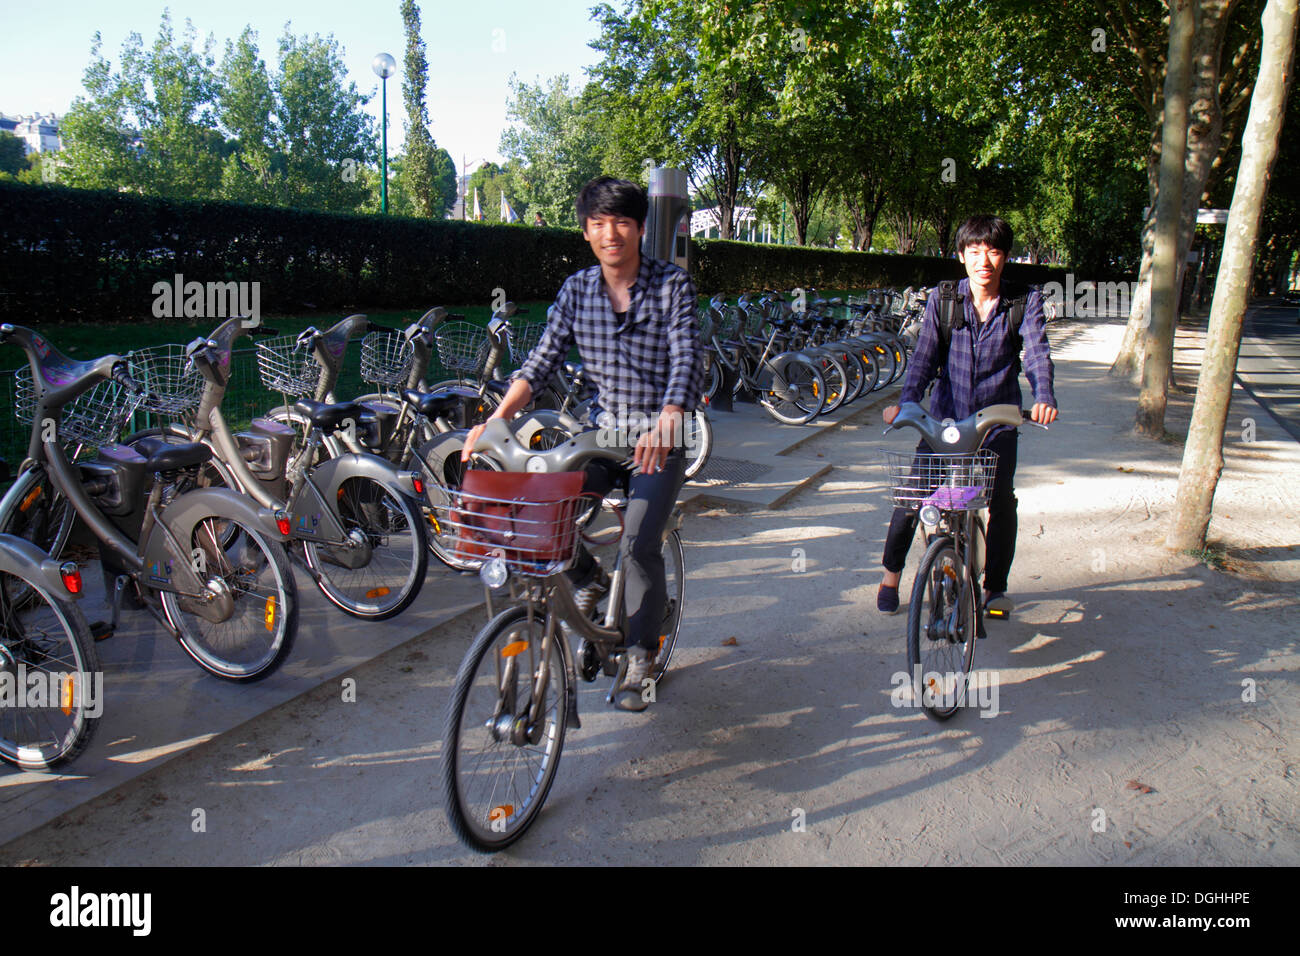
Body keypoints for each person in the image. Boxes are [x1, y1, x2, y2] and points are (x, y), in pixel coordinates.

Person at [462, 176, 703, 710]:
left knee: (638, 542)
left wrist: (669, 418)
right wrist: (495, 420)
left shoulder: (671, 286)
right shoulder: (576, 291)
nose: (610, 234)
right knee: (544, 511)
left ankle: (640, 654)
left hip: (660, 440)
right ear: (586, 232)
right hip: (600, 437)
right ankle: (588, 578)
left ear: (640, 228)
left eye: (622, 222)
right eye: (598, 223)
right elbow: (540, 363)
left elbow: (687, 357)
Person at [878, 215, 1058, 620]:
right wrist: (908, 403)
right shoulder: (944, 300)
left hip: (997, 421)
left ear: (1005, 256)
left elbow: (1037, 353)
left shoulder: (1023, 301)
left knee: (1002, 502)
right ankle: (890, 577)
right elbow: (924, 358)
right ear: (962, 255)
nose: (984, 261)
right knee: (911, 497)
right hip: (946, 422)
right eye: (974, 251)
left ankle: (994, 589)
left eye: (993, 251)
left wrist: (1044, 396)